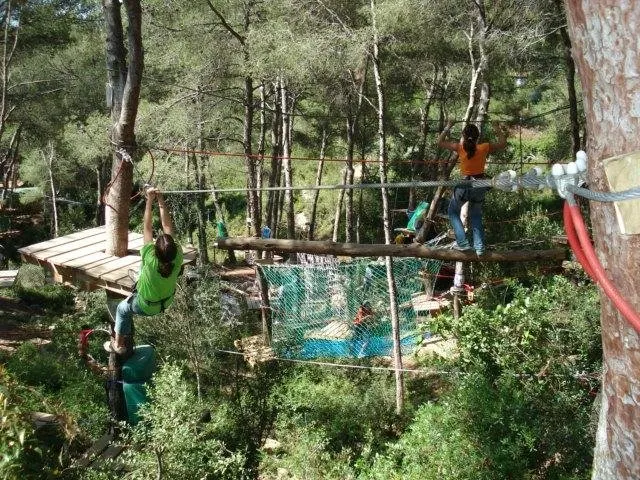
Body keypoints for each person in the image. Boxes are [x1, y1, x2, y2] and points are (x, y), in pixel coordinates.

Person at [104, 187, 183, 358]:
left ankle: (118, 345)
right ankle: (140, 277)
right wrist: (160, 200)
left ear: (156, 251)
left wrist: (150, 200)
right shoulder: (177, 256)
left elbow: (147, 227)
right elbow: (167, 226)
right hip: (165, 302)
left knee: (122, 309)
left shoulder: (151, 258)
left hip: (145, 306)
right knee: (143, 268)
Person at [437, 121, 507, 256]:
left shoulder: (459, 147)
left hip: (464, 184)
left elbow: (439, 142)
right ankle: (479, 247)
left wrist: (449, 125)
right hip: (480, 185)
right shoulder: (484, 147)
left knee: (452, 211)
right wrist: (496, 127)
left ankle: (462, 243)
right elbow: (503, 143)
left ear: (464, 135)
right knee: (476, 215)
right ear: (477, 136)